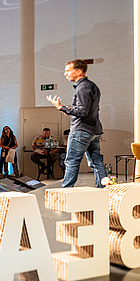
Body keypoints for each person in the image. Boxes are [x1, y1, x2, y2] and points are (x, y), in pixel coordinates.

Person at [47, 58, 108, 187]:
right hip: (94, 130)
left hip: (81, 130)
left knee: (71, 161)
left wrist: (61, 107)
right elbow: (88, 110)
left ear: (79, 71)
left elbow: (82, 112)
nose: (65, 74)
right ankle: (104, 189)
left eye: (68, 71)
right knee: (96, 162)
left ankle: (66, 191)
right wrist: (70, 110)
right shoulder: (92, 86)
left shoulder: (82, 87)